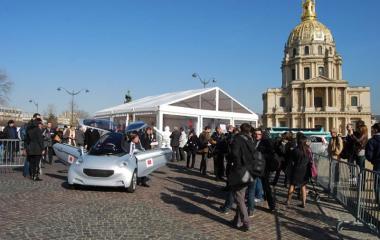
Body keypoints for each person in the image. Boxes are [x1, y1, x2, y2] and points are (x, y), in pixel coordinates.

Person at [229, 123, 254, 231]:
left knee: (239, 197)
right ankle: (237, 220)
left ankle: (246, 222)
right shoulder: (250, 139)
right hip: (250, 170)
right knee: (241, 194)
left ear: (240, 129)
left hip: (240, 170)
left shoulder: (237, 138)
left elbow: (234, 153)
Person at [286, 135, 312, 208]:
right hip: (305, 170)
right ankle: (303, 203)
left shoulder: (295, 150)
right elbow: (310, 160)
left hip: (296, 169)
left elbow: (292, 160)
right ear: (305, 141)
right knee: (303, 187)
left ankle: (288, 201)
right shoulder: (308, 150)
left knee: (292, 185)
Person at [366, 123, 380, 205]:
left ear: (375, 130)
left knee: (377, 184)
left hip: (377, 164)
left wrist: (373, 161)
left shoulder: (372, 141)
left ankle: (378, 202)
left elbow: (369, 155)